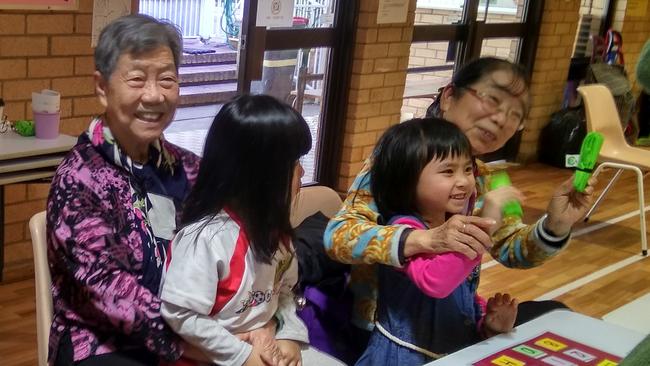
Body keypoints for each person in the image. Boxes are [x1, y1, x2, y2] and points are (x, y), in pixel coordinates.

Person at [324, 57, 597, 354]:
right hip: (387, 335)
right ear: (449, 97)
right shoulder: (401, 157)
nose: (501, 119)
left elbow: (510, 249)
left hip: (449, 330)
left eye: (515, 115)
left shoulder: (489, 179)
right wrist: (422, 239)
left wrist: (556, 224)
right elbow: (340, 235)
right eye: (492, 99)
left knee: (556, 316)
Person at [46, 15, 275, 366]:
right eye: (137, 79)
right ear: (102, 88)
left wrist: (261, 323)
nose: (154, 95)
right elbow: (110, 290)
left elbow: (236, 242)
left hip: (200, 327)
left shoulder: (191, 168)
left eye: (167, 79)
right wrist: (211, 346)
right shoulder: (78, 179)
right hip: (104, 343)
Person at [160, 94, 339, 366]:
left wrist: (289, 335)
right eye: (292, 165)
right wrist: (241, 356)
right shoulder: (207, 239)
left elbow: (285, 294)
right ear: (258, 175)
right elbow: (180, 313)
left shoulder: (279, 238)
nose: (301, 173)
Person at [355, 118, 519, 365]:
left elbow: (457, 297)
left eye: (467, 169)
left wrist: (489, 324)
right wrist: (486, 222)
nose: (464, 180)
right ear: (407, 181)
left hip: (453, 353)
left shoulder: (453, 224)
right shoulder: (405, 229)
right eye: (448, 171)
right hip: (403, 358)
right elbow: (436, 281)